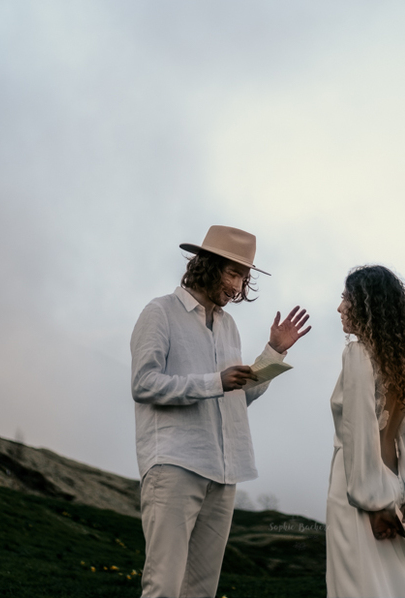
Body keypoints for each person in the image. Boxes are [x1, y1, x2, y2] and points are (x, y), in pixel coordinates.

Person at [130, 225, 310, 598]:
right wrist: (215, 382)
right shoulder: (160, 312)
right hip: (174, 465)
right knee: (163, 586)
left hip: (225, 471)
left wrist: (274, 352)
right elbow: (144, 384)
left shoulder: (229, 326)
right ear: (207, 265)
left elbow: (237, 395)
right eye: (233, 274)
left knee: (201, 590)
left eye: (244, 279)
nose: (238, 287)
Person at [326, 265, 405, 598]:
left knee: (357, 583)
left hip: (358, 487)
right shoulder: (398, 361)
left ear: (365, 305)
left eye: (345, 299)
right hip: (390, 485)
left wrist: (375, 505)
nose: (340, 308)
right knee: (395, 581)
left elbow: (359, 432)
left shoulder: (358, 354)